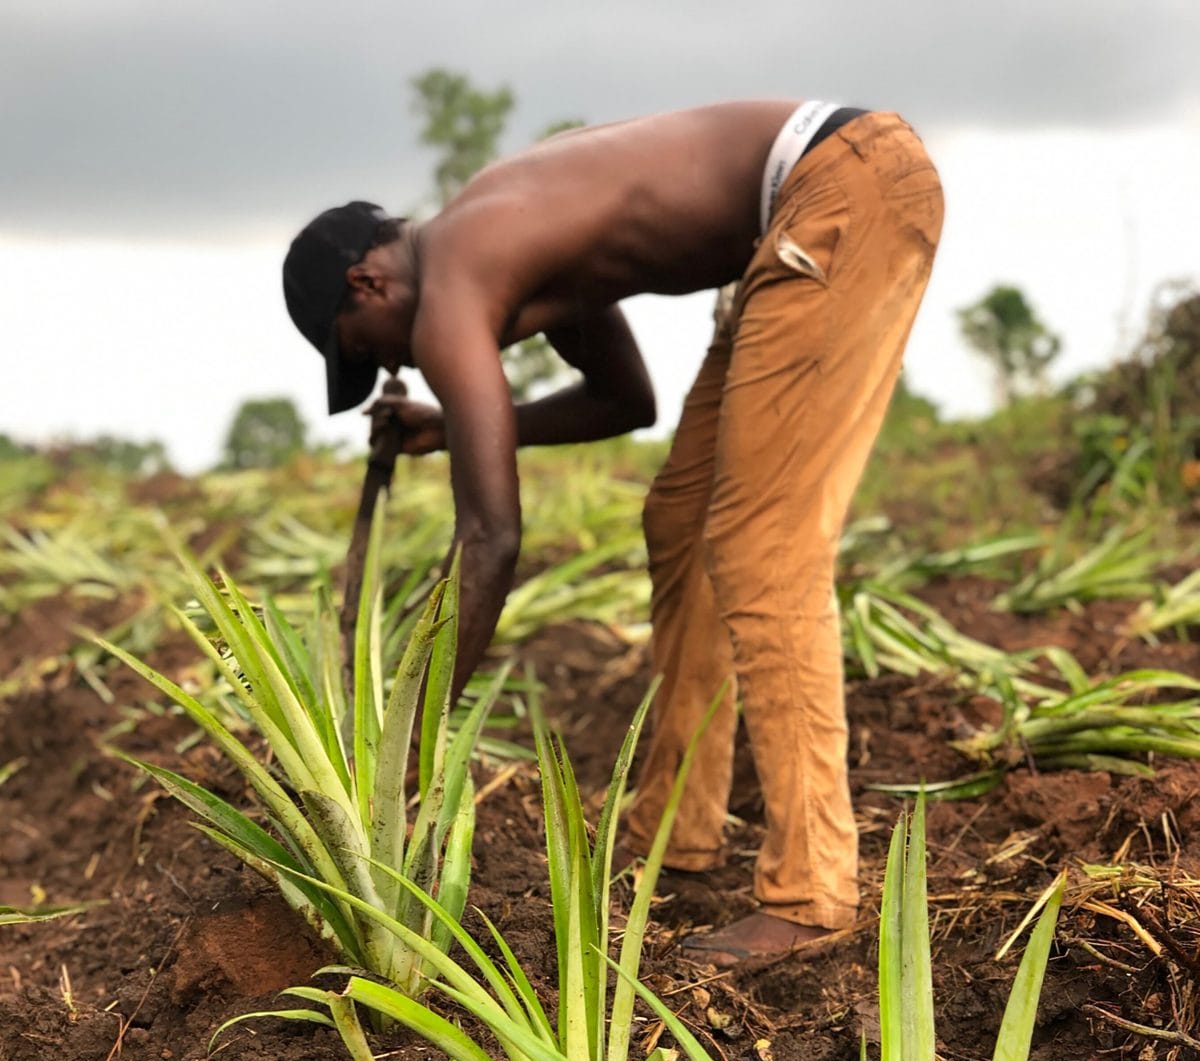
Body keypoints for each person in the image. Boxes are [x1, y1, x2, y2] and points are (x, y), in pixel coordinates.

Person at [283, 101, 943, 963]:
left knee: (762, 544)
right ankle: (680, 825)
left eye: (362, 350)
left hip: (841, 187)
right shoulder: (506, 241)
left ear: (366, 283)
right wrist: (447, 427)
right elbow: (624, 402)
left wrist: (406, 735)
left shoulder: (450, 282)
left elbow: (490, 537)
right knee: (681, 518)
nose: (393, 366)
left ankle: (811, 891)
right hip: (817, 194)